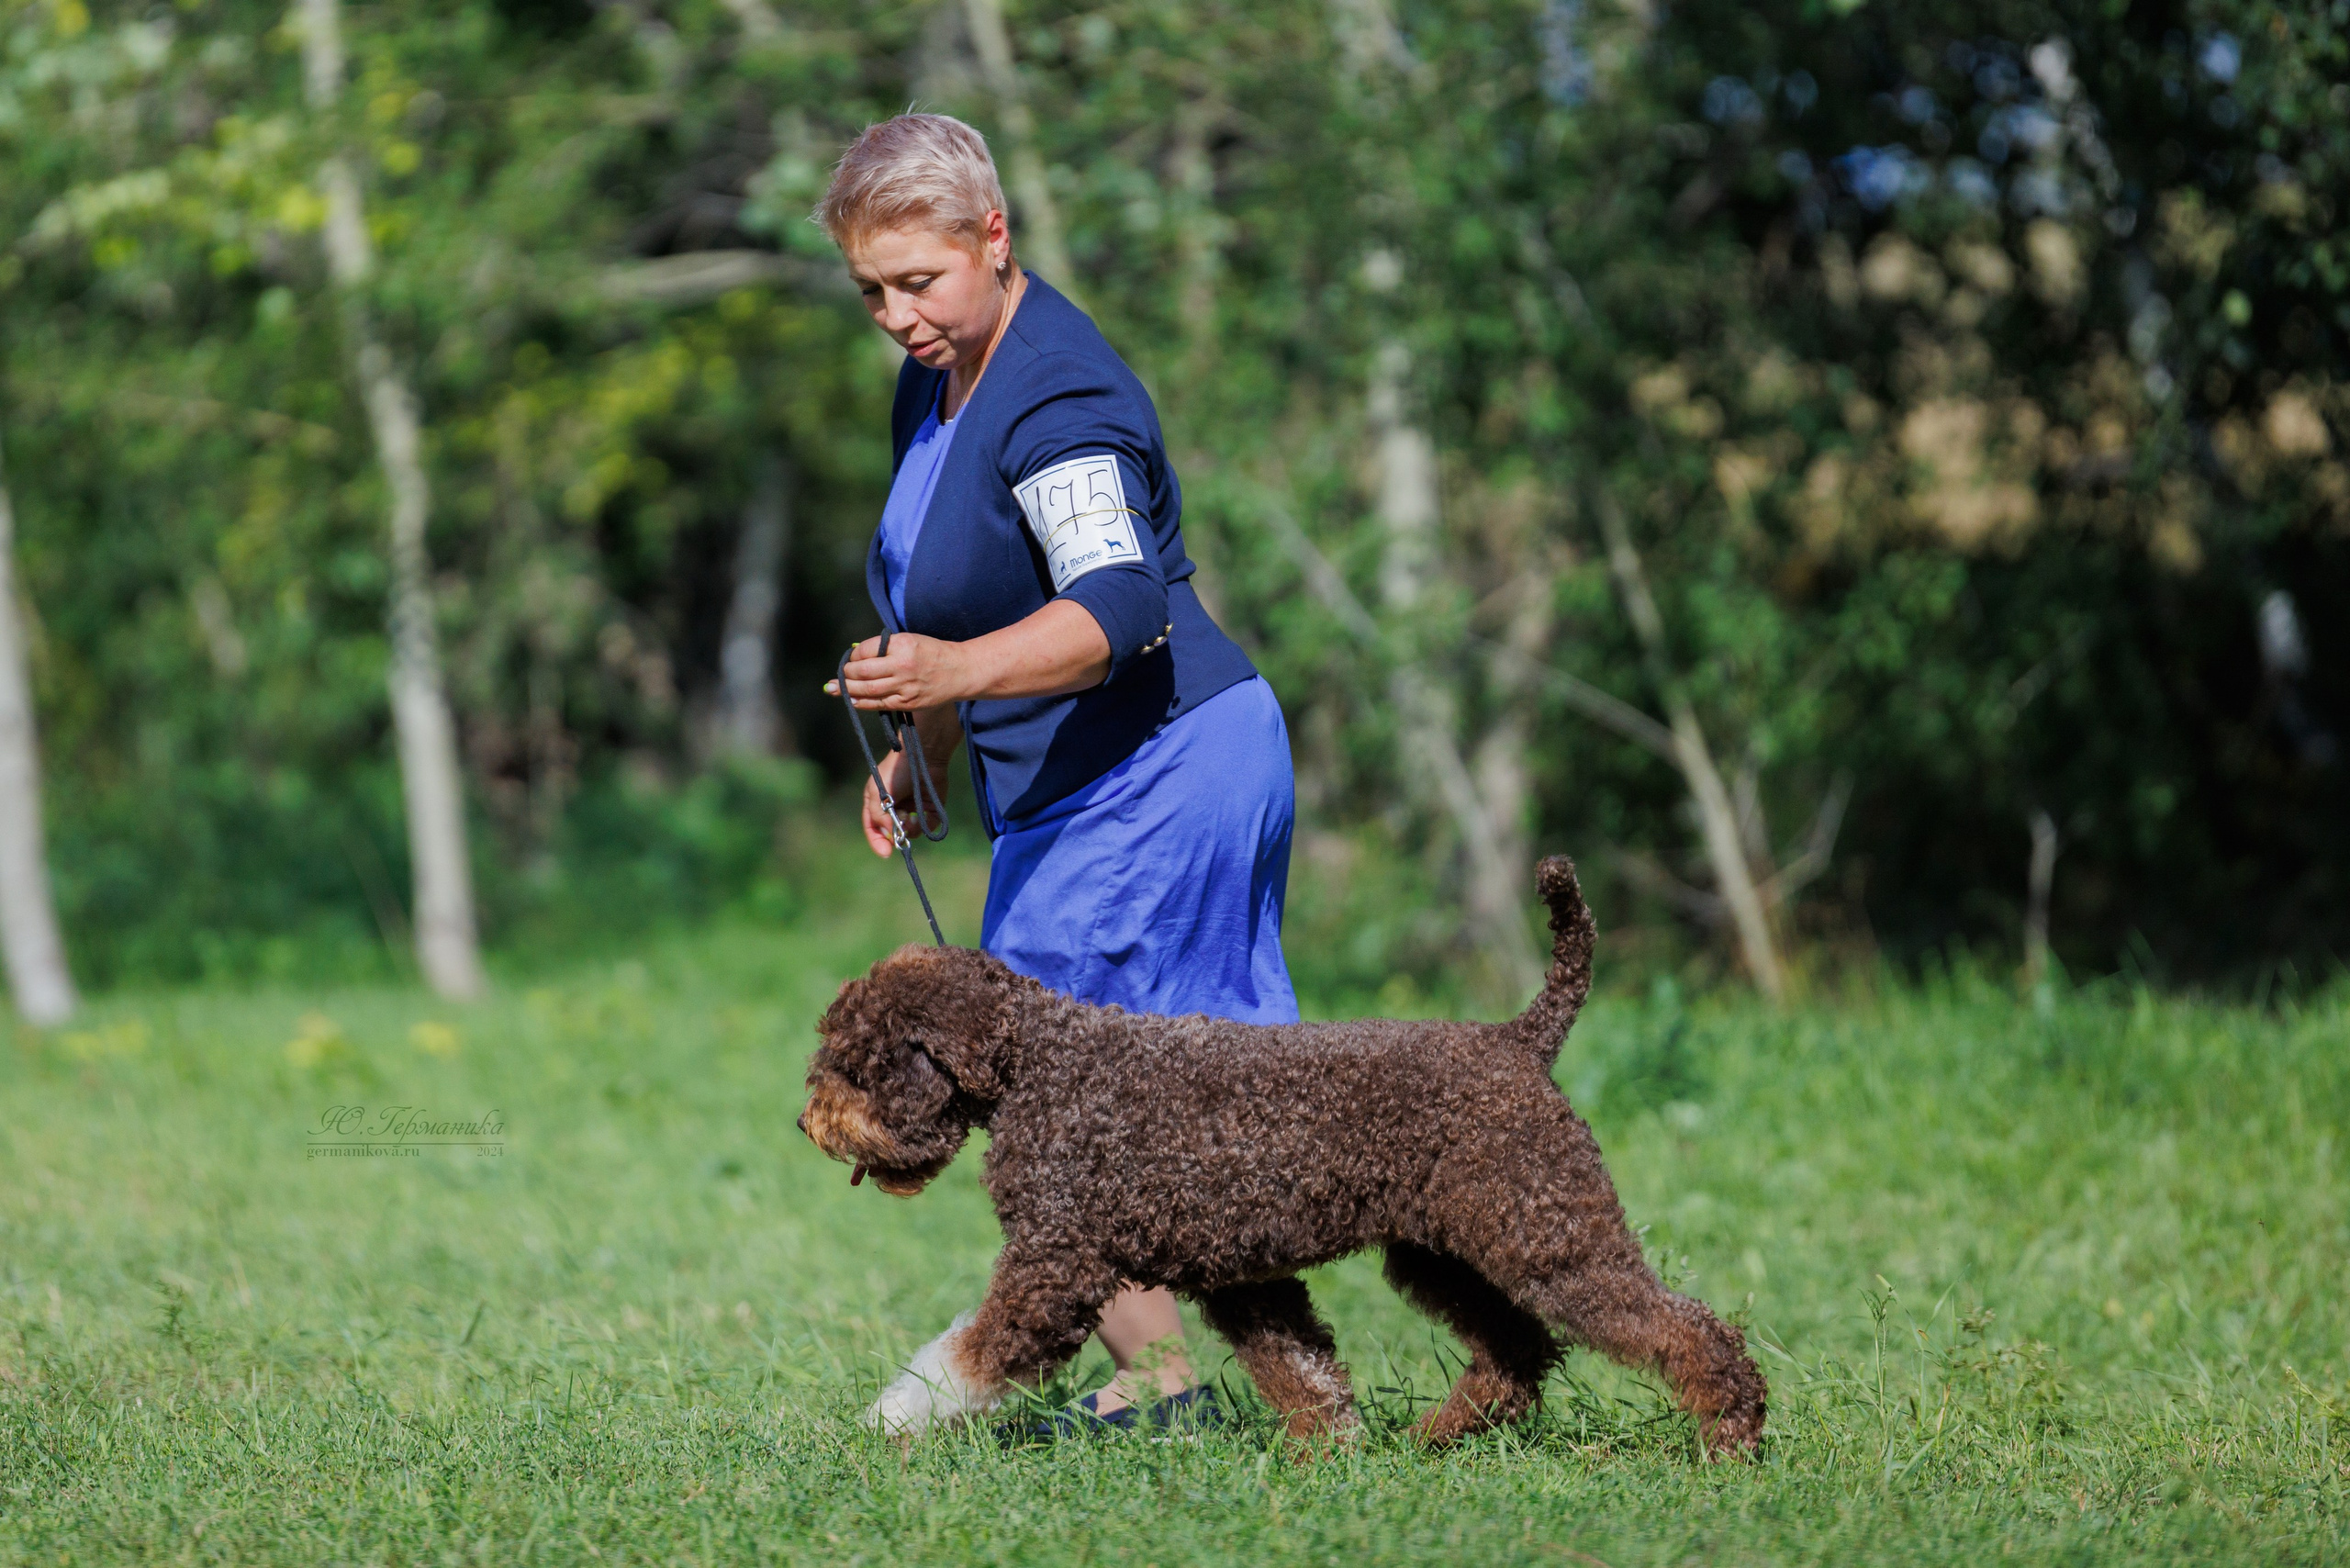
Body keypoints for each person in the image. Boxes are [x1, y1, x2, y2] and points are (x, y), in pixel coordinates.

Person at [816, 113, 1299, 1428]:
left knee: (1081, 1112)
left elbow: (1116, 605)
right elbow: (960, 598)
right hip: (1067, 786)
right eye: (872, 291)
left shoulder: (1061, 394)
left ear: (995, 235)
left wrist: (948, 680)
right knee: (1101, 1114)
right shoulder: (935, 376)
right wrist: (923, 753)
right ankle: (1195, 1391)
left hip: (1163, 765)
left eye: (919, 280)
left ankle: (1199, 1390)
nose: (897, 316)